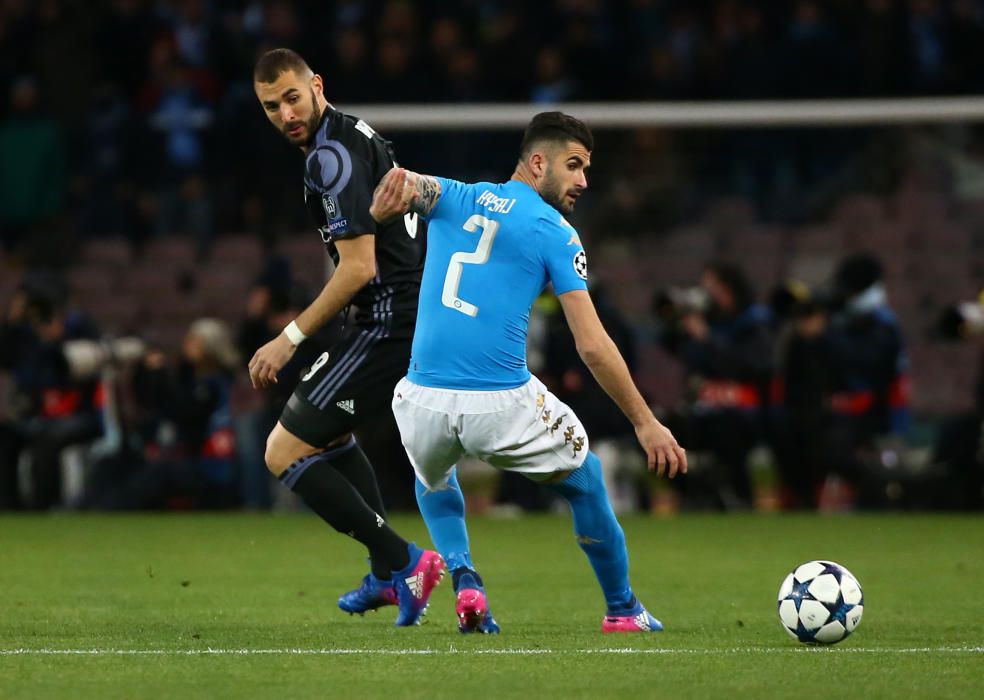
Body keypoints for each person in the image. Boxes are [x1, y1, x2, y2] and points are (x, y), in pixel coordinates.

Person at [370, 111, 688, 633]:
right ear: (538, 163)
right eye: (574, 165)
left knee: (432, 477)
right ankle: (623, 610)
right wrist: (644, 421)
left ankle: (466, 577)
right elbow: (593, 346)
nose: (584, 180)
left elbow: (403, 184)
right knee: (586, 482)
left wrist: (380, 204)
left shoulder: (455, 195)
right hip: (500, 404)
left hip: (420, 401)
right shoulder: (555, 233)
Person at [247, 48, 443, 626]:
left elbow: (357, 268)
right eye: (270, 106)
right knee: (329, 438)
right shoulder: (353, 134)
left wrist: (288, 337)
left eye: (291, 98)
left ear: (316, 86)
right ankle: (388, 575)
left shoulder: (328, 155)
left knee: (282, 451)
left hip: (388, 318)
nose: (285, 113)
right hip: (390, 313)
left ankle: (403, 561)